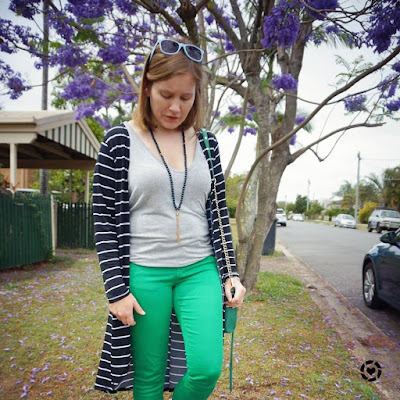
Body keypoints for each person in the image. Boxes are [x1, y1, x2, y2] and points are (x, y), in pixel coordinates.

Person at [93, 37, 246, 400]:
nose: (176, 107)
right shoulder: (119, 141)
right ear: (147, 87)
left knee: (206, 368)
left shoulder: (207, 143)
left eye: (186, 97)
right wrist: (116, 292)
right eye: (166, 95)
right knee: (148, 377)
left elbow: (218, 212)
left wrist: (231, 272)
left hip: (200, 269)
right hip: (144, 272)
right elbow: (103, 220)